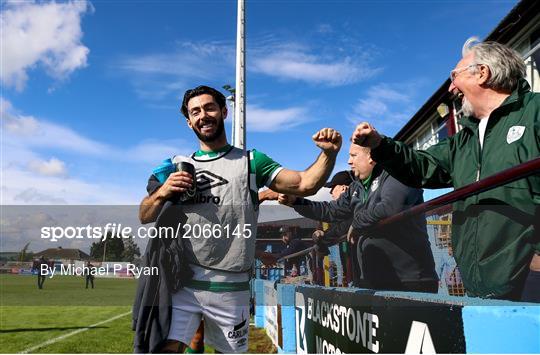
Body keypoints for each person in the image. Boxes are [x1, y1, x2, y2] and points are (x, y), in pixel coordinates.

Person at [135, 85, 342, 353]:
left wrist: (329, 154)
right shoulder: (175, 165)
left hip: (230, 288)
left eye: (209, 108)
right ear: (189, 122)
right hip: (183, 284)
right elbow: (144, 215)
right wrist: (163, 191)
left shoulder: (251, 161)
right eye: (195, 112)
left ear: (224, 111)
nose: (203, 115)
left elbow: (305, 184)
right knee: (165, 349)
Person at [352, 37, 540, 302]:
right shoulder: (464, 140)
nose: (451, 87)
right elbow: (421, 166)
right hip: (479, 284)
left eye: (454, 75)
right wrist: (381, 146)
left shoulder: (535, 112)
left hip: (530, 281)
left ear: (483, 73)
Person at [279, 143, 438, 292]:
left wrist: (356, 223)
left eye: (353, 155)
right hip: (373, 280)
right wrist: (296, 201)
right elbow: (330, 211)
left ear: (370, 156)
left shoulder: (398, 172)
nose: (349, 161)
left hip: (408, 280)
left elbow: (390, 207)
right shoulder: (357, 186)